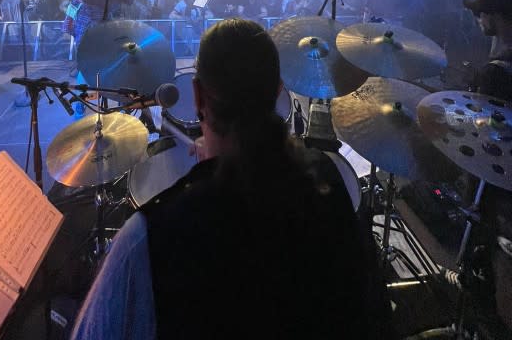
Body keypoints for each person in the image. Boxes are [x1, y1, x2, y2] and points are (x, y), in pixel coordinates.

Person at [71, 19, 392, 340]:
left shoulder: (148, 234)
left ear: (198, 96)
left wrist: (213, 170)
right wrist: (222, 161)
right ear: (278, 90)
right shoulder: (329, 181)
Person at [463, 0, 512, 333]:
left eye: (481, 13)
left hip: (496, 185)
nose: (478, 19)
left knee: (486, 263)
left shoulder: (494, 73)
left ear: (495, 17)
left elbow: (480, 138)